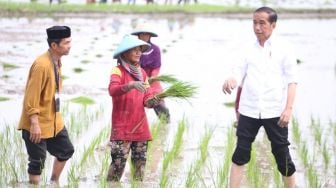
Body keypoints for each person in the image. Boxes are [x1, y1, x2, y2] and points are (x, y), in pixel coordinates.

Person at [222, 7, 298, 188]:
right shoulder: (247, 48)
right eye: (254, 22)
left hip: (275, 111)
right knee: (240, 153)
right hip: (249, 110)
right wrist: (232, 80)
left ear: (273, 25)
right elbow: (238, 71)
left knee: (282, 155)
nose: (257, 27)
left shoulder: (285, 48)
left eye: (262, 23)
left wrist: (288, 109)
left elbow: (292, 81)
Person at [18, 26, 74, 185]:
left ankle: (53, 182)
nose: (70, 45)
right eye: (66, 42)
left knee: (66, 150)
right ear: (54, 45)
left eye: (70, 41)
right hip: (37, 123)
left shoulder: (56, 60)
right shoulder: (41, 65)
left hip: (54, 119)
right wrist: (34, 124)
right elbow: (31, 96)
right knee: (38, 162)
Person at [107, 34, 160, 181]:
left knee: (139, 170)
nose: (138, 53)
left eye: (140, 50)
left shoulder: (142, 73)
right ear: (124, 53)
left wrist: (155, 99)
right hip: (122, 129)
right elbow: (112, 90)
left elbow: (147, 99)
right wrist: (130, 85)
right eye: (134, 50)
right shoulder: (117, 71)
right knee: (117, 169)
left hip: (140, 128)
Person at [131, 23, 171, 123]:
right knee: (133, 104)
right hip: (137, 79)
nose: (144, 36)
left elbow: (156, 67)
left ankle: (165, 124)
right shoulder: (132, 49)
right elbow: (132, 66)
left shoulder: (155, 49)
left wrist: (152, 78)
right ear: (138, 35)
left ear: (150, 36)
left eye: (146, 34)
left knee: (158, 102)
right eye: (142, 34)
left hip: (152, 80)